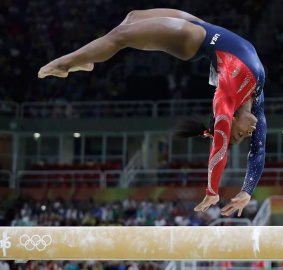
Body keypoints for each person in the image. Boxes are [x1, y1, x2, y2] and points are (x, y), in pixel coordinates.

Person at [38, 9, 266, 217]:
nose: (249, 133)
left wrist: (212, 190)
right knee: (132, 17)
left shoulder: (225, 99)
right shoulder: (256, 97)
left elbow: (220, 147)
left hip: (192, 40)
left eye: (241, 136)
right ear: (233, 118)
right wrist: (247, 191)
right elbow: (258, 151)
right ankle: (88, 58)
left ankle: (64, 64)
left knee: (121, 36)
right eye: (242, 135)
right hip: (204, 28)